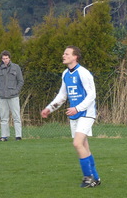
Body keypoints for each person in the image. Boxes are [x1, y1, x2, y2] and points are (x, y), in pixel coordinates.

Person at [40, 46, 101, 188]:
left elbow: (92, 95)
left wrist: (77, 108)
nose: (63, 55)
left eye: (67, 54)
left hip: (86, 113)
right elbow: (62, 95)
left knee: (77, 143)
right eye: (63, 53)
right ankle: (96, 178)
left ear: (75, 57)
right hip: (75, 114)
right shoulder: (65, 74)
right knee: (84, 145)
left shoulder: (83, 73)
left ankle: (88, 178)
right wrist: (49, 108)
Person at [0, 50, 24, 141]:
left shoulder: (16, 67)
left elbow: (20, 81)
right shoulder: (0, 68)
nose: (5, 60)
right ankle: (4, 136)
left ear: (9, 58)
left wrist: (16, 91)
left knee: (16, 117)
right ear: (1, 59)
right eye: (3, 58)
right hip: (3, 97)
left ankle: (18, 136)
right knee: (3, 118)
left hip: (13, 97)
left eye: (6, 58)